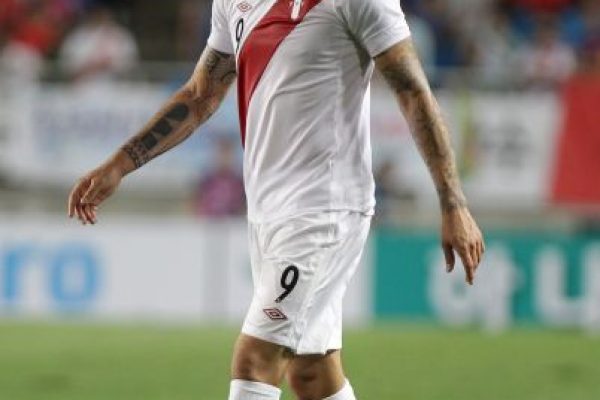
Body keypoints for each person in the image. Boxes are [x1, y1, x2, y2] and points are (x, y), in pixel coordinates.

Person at [68, 0, 485, 399]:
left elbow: (413, 90)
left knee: (255, 360)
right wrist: (121, 163)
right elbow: (199, 95)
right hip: (268, 210)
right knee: (312, 373)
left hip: (324, 207)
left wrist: (453, 204)